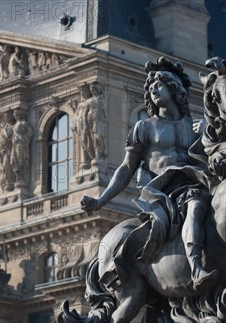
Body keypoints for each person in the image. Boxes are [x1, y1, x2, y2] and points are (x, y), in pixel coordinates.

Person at [81, 58, 217, 290]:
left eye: (158, 85)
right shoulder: (144, 127)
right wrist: (101, 200)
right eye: (150, 87)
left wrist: (209, 132)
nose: (153, 90)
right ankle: (195, 268)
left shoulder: (194, 126)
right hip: (160, 192)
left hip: (193, 183)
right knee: (194, 205)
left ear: (174, 88)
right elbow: (126, 168)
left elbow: (215, 159)